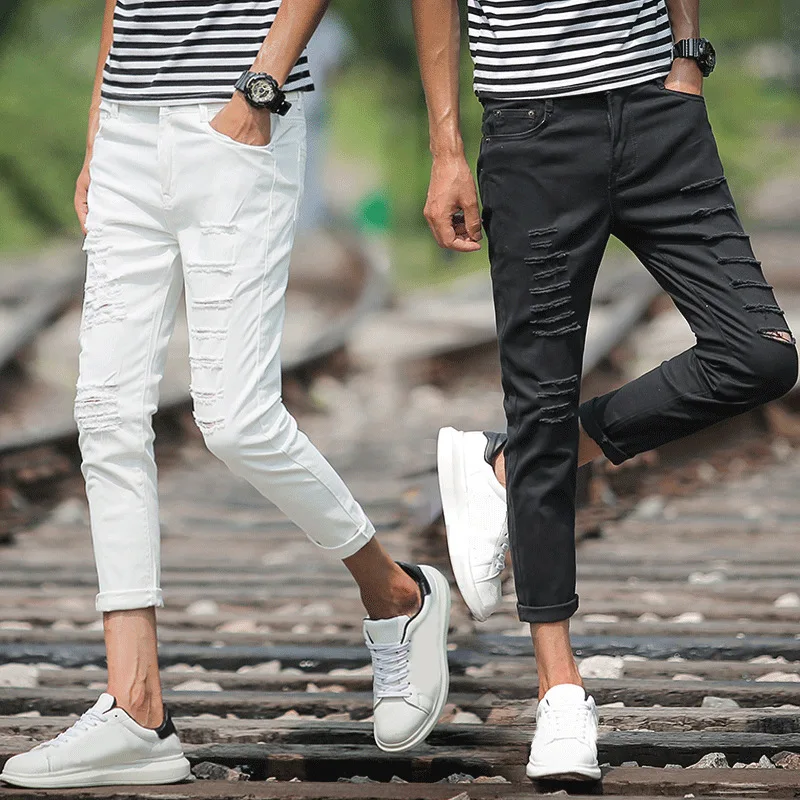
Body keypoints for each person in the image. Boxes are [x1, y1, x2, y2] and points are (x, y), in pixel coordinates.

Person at [0, 0, 450, 788]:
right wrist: (100, 124)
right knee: (104, 413)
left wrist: (259, 88)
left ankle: (397, 595)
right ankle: (135, 710)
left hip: (237, 115)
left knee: (237, 418)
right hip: (129, 123)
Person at [419, 0, 798, 782]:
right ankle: (560, 693)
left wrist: (687, 56)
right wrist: (447, 146)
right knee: (542, 398)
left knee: (758, 356)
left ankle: (507, 467)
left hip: (660, 114)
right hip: (534, 129)